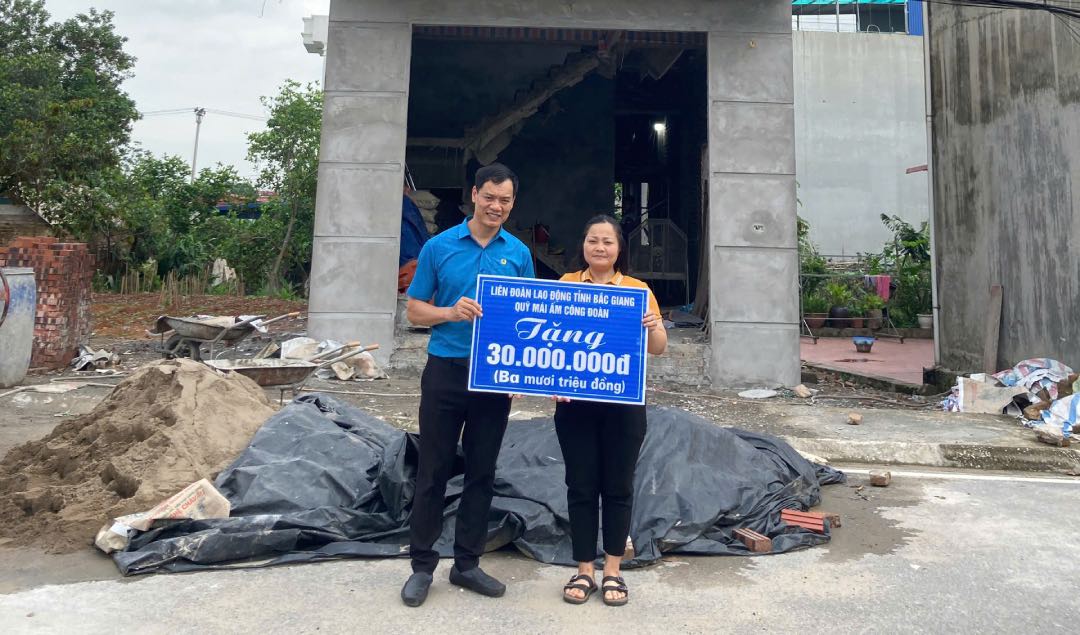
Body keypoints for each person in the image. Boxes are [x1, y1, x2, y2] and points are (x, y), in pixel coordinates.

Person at [400, 163, 535, 607]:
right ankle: (422, 566)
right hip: (445, 371)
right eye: (490, 197)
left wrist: (520, 370)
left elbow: (527, 318)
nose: (497, 206)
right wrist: (449, 313)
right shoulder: (439, 248)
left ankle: (467, 564)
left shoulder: (517, 253)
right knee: (433, 469)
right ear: (474, 195)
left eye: (506, 200)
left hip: (494, 376)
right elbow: (414, 310)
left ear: (512, 204)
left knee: (481, 471)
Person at [554, 214, 667, 607]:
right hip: (575, 406)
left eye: (607, 242)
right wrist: (549, 381)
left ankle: (613, 570)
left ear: (619, 249)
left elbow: (658, 347)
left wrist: (653, 325)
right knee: (580, 486)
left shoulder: (638, 290)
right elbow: (552, 345)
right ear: (583, 246)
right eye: (592, 241)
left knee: (618, 488)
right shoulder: (566, 285)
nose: (599, 248)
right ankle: (585, 568)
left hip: (623, 406)